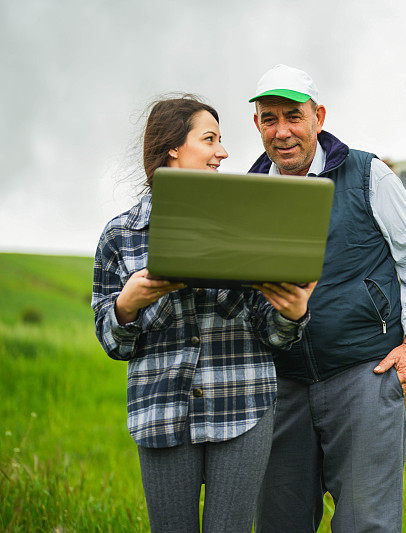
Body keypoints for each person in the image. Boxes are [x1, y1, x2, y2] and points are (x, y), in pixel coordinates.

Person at [91, 95, 315, 532]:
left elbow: (271, 334)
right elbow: (110, 340)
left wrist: (290, 315)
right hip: (160, 411)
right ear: (174, 147)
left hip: (244, 405)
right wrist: (127, 305)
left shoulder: (250, 226)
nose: (224, 152)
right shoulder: (120, 236)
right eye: (210, 139)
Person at [249, 65, 406, 532]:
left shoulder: (367, 174)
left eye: (293, 117)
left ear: (318, 116)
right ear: (256, 125)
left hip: (363, 373)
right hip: (281, 382)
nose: (283, 131)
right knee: (279, 523)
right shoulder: (249, 192)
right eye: (269, 118)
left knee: (366, 523)